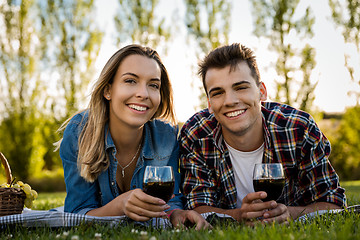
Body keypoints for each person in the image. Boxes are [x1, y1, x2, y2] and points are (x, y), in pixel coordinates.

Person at [179, 43, 346, 224]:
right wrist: (239, 216)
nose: (230, 101)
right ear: (209, 103)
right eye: (218, 93)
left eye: (240, 87)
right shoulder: (196, 134)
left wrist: (289, 213)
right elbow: (197, 207)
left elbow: (333, 203)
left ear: (262, 92)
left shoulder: (299, 129)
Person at [58, 44, 209, 230]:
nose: (143, 94)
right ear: (108, 90)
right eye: (130, 81)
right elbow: (77, 213)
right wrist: (120, 206)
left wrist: (176, 214)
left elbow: (170, 200)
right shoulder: (78, 132)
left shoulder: (166, 136)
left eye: (153, 85)